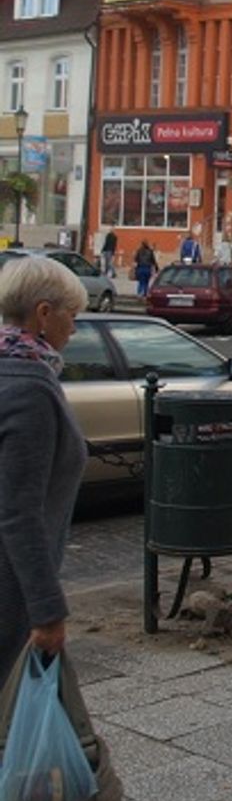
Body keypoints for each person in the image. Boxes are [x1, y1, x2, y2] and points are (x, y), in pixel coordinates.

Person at [0, 255, 88, 684]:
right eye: (72, 314)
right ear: (44, 314)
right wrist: (47, 610)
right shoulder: (29, 388)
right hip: (9, 591)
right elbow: (18, 511)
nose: (75, 327)